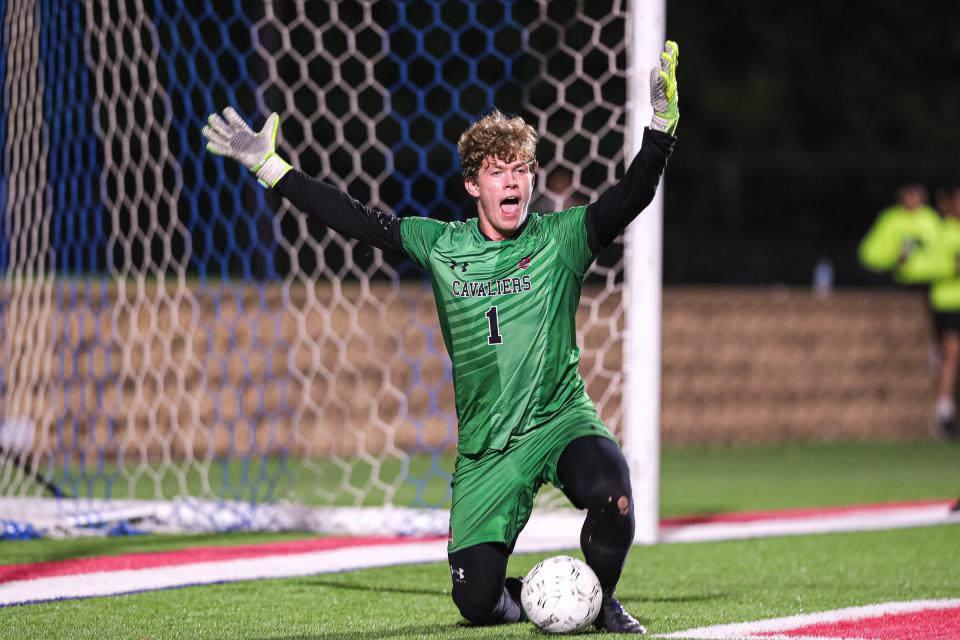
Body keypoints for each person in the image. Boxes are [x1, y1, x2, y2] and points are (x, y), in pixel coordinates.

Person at [202, 40, 679, 635]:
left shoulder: (562, 238)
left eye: (522, 171)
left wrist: (659, 130)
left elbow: (627, 200)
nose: (514, 183)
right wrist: (272, 168)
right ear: (473, 186)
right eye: (498, 171)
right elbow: (354, 219)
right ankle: (527, 598)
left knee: (615, 496)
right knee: (476, 603)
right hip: (487, 451)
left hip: (560, 421)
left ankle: (602, 601)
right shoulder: (441, 245)